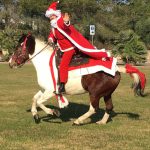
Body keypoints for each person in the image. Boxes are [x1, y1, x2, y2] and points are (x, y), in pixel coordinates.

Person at [45, 1, 111, 94]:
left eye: (52, 15)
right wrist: (51, 39)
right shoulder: (53, 25)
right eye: (50, 16)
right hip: (62, 48)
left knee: (63, 64)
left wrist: (66, 21)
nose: (51, 17)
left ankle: (62, 86)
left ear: (56, 15)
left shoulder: (59, 21)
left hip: (69, 49)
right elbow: (53, 34)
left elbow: (65, 26)